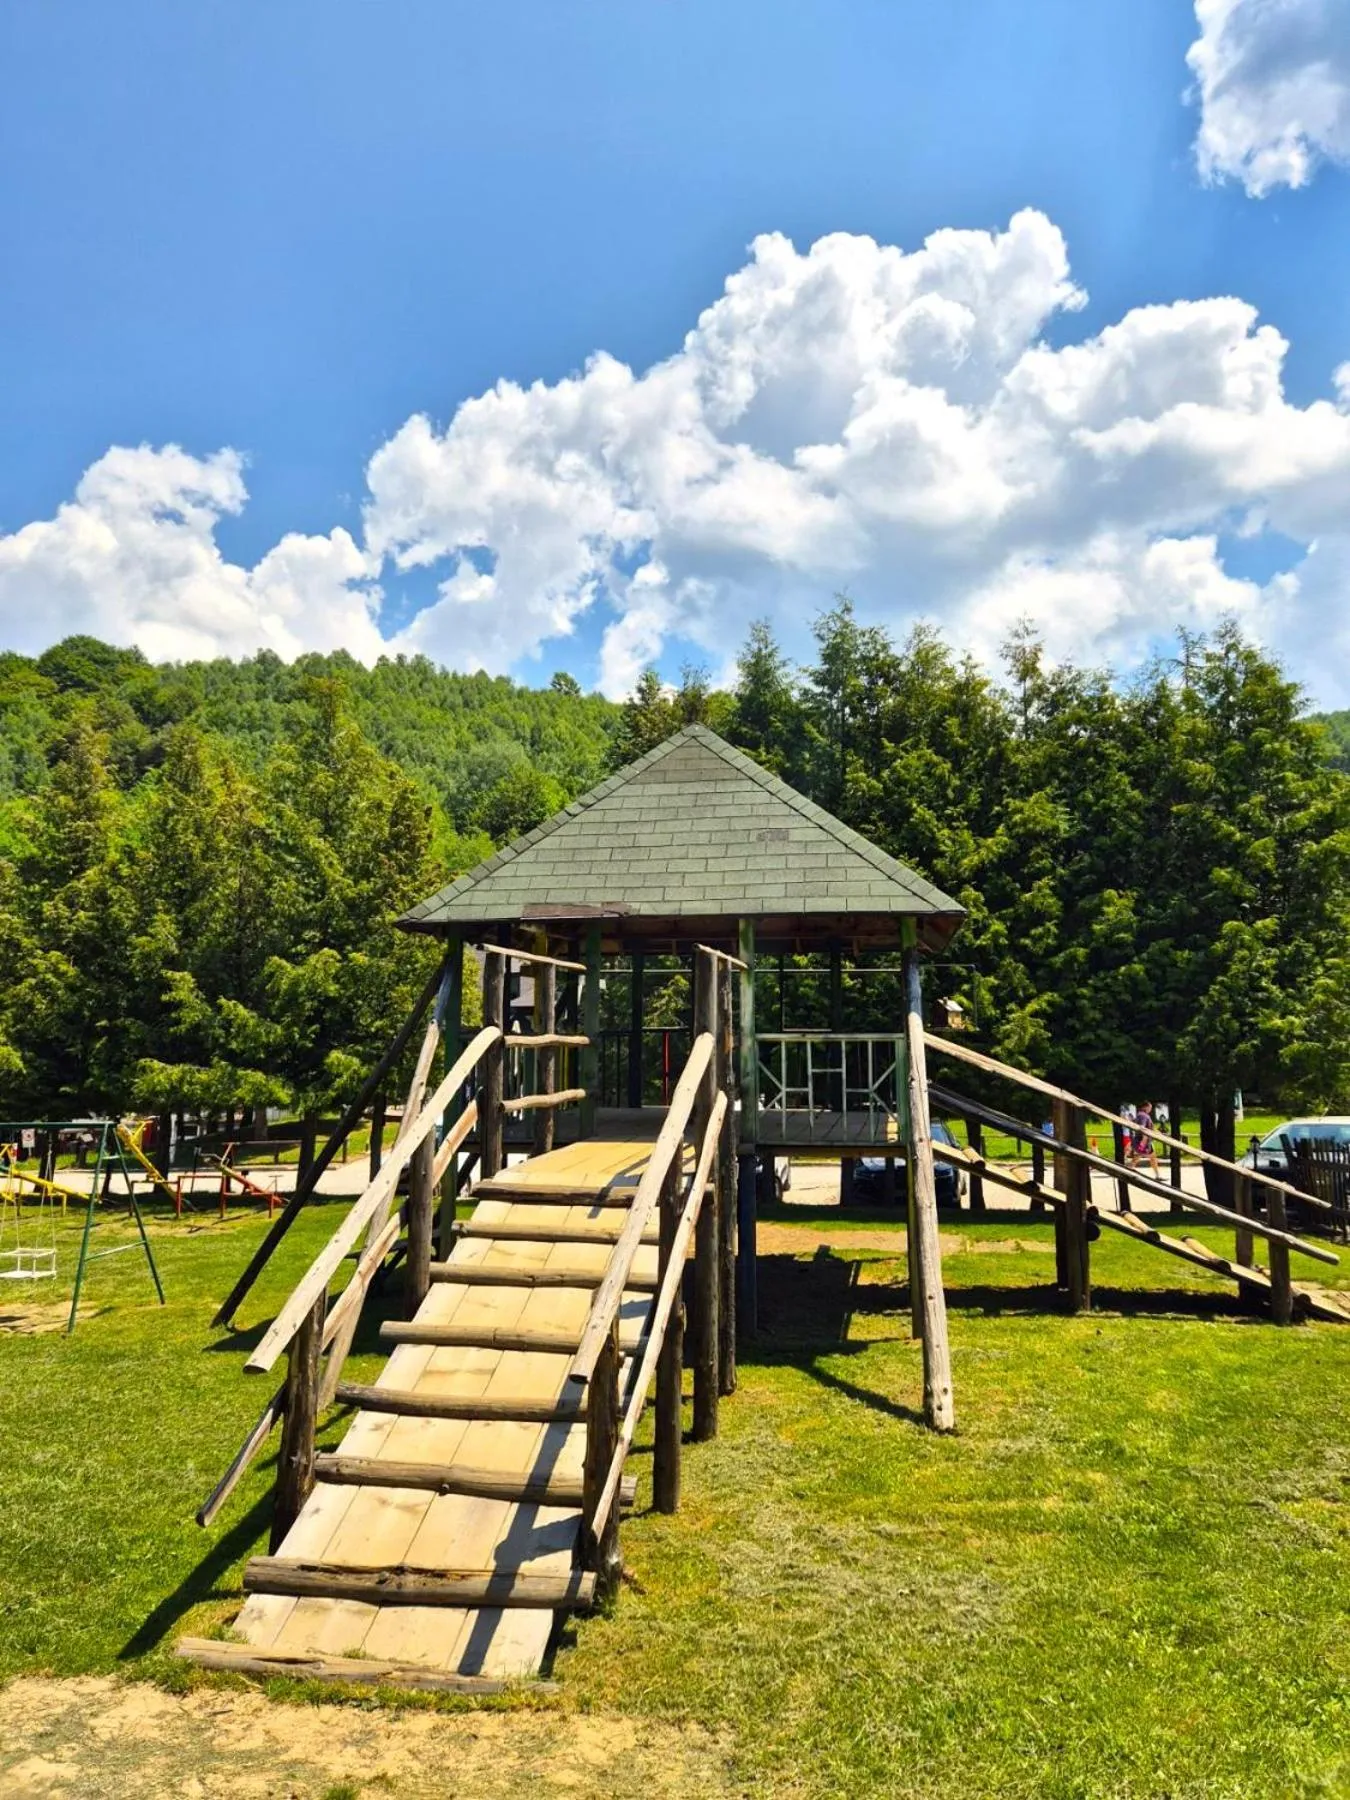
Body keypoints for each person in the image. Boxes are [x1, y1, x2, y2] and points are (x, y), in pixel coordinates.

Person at [1133, 1101, 1161, 1177]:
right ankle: (1157, 1175)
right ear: (1145, 1107)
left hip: (1144, 1140)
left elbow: (1150, 1127)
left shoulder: (1140, 1114)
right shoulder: (1144, 1116)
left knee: (1140, 1155)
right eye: (1149, 1107)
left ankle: (1130, 1168)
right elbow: (1143, 1127)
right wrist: (1143, 1141)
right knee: (1152, 1157)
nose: (1150, 1109)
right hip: (1144, 1140)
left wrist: (1158, 1132)